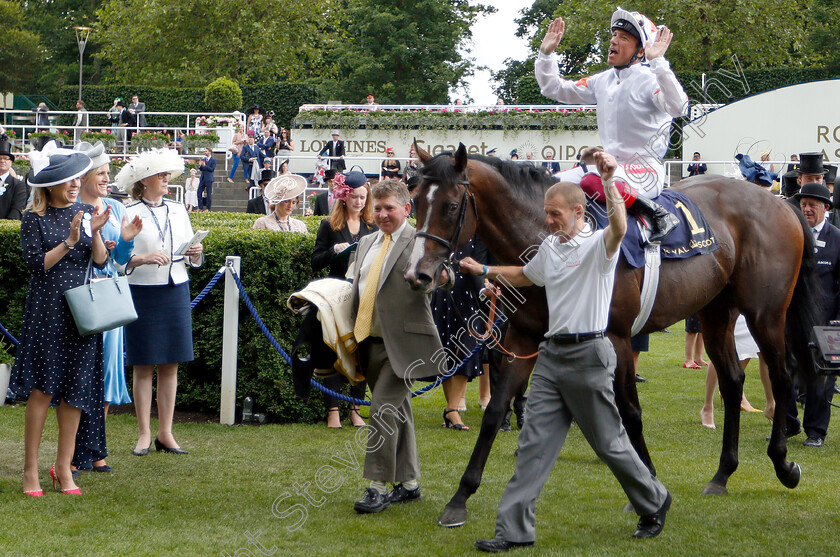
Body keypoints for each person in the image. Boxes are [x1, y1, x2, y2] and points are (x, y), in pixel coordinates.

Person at [464, 152, 671, 551]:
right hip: (551, 357)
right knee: (532, 445)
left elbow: (619, 224)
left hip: (589, 357)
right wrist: (484, 271)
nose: (548, 220)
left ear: (579, 212)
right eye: (547, 213)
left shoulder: (599, 245)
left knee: (609, 443)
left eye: (555, 214)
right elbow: (525, 275)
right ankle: (513, 531)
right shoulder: (549, 248)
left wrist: (610, 182)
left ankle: (654, 500)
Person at [535, 10, 688, 242]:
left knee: (591, 182)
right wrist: (546, 55)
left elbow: (679, 108)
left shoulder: (651, 79)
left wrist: (658, 61)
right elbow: (554, 89)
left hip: (643, 170)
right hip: (608, 168)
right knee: (550, 186)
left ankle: (657, 213)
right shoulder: (602, 80)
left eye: (624, 37)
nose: (614, 40)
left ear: (641, 50)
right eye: (614, 34)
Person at [11, 144, 110, 496]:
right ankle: (30, 472)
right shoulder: (33, 219)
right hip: (47, 314)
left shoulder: (86, 210)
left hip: (81, 315)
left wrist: (95, 231)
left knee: (75, 394)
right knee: (42, 391)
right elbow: (37, 265)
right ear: (49, 186)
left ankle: (64, 470)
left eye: (76, 179)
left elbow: (99, 263)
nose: (74, 185)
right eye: (67, 180)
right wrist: (70, 240)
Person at [350, 179, 448, 514]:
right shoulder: (365, 243)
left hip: (406, 346)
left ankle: (377, 486)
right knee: (398, 411)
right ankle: (409, 484)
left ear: (407, 209)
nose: (382, 214)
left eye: (389, 207)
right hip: (370, 341)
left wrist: (438, 278)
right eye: (377, 208)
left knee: (382, 410)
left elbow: (438, 275)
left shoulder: (420, 242)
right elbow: (357, 287)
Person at [115, 148, 204, 456]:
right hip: (142, 291)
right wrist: (142, 258)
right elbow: (119, 262)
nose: (167, 178)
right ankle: (143, 434)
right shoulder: (128, 211)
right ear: (144, 181)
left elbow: (195, 252)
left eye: (167, 174)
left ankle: (165, 433)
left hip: (176, 287)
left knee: (171, 364)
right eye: (161, 174)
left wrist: (196, 253)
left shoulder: (179, 209)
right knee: (142, 365)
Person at [73, 141, 142, 472]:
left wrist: (126, 239)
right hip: (80, 299)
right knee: (77, 376)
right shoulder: (69, 207)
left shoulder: (115, 207)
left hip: (110, 300)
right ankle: (72, 451)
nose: (107, 178)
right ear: (84, 177)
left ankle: (95, 449)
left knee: (104, 376)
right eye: (100, 174)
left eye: (107, 173)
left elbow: (119, 261)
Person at [311, 169, 376, 428]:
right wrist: (333, 251)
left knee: (360, 353)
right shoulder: (329, 225)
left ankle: (356, 410)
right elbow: (316, 261)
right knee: (333, 352)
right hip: (335, 297)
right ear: (343, 197)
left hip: (363, 296)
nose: (359, 202)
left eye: (363, 197)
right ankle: (333, 411)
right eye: (354, 197)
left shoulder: (372, 226)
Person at [786, 182, 840, 447]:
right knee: (784, 370)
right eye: (803, 204)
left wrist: (837, 321)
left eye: (812, 205)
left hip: (825, 320)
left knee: (821, 376)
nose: (806, 209)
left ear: (826, 208)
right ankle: (788, 423)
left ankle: (816, 431)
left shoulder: (837, 238)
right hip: (791, 316)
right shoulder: (789, 235)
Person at [700, 315, 773, 429]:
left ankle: (771, 404)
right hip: (731, 309)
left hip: (754, 308)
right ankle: (708, 407)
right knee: (720, 350)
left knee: (764, 352)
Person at [0, 140, 27, 219]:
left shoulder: (18, 185)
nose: (2, 161)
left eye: (6, 158)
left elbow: (17, 209)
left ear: (11, 163)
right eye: (0, 158)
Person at [197, 147, 216, 212]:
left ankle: (208, 208)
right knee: (199, 192)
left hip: (209, 179)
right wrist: (200, 166)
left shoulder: (213, 160)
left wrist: (205, 166)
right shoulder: (204, 159)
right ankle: (200, 207)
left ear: (209, 152)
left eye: (206, 151)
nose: (205, 152)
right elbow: (201, 169)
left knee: (208, 194)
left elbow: (212, 169)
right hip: (203, 178)